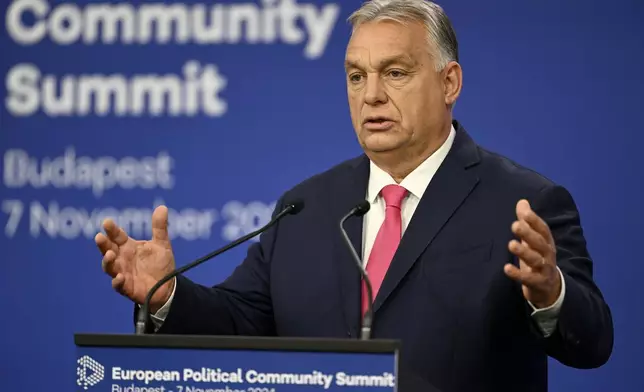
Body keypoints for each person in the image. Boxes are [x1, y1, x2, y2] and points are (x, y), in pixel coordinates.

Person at [95, 1, 613, 391]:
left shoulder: (524, 202)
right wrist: (169, 295)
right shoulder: (306, 207)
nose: (371, 96)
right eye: (355, 76)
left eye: (394, 73)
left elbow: (594, 342)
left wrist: (552, 294)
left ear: (449, 82)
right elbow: (240, 321)